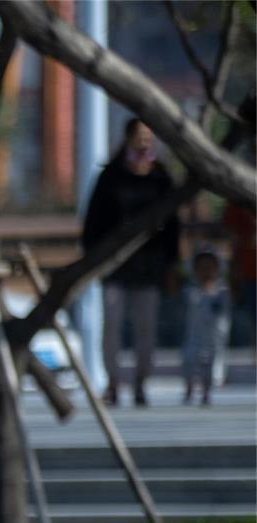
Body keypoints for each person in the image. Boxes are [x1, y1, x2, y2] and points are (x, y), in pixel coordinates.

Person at [82, 117, 182, 407]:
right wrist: (93, 258)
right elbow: (93, 222)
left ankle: (140, 382)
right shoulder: (111, 176)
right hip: (114, 264)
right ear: (127, 138)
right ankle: (113, 381)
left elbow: (172, 225)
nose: (144, 142)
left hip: (149, 265)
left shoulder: (160, 177)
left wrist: (172, 263)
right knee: (111, 324)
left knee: (145, 326)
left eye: (149, 137)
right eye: (140, 136)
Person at [181, 247, 229, 406]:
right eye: (202, 269)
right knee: (189, 361)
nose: (206, 272)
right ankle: (189, 387)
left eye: (210, 268)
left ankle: (206, 392)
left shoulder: (222, 292)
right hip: (194, 337)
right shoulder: (191, 292)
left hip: (214, 339)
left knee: (211, 367)